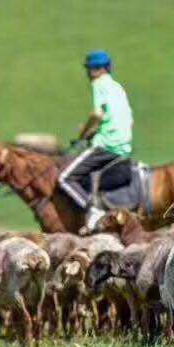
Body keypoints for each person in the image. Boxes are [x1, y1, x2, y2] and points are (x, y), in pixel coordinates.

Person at [58, 50, 134, 231]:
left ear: (93, 70)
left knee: (65, 178)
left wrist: (83, 133)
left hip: (107, 144)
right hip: (124, 144)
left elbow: (97, 115)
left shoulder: (100, 84)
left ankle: (93, 210)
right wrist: (93, 131)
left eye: (88, 69)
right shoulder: (117, 87)